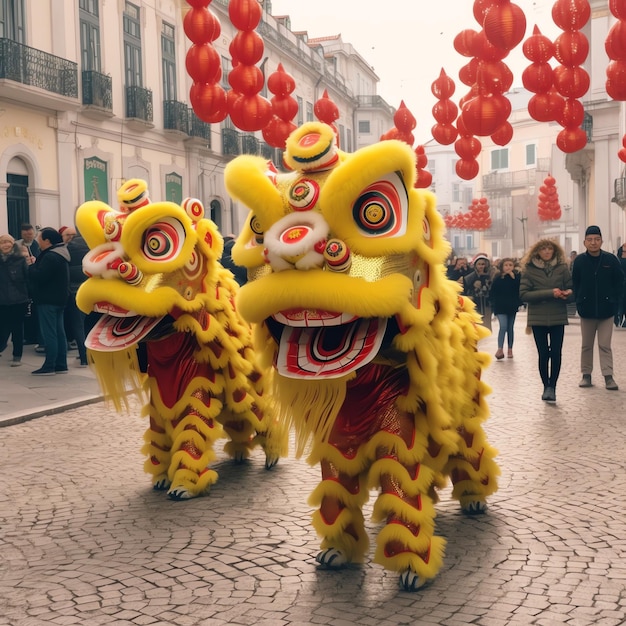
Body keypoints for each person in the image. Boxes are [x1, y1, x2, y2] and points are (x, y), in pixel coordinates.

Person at [519, 239, 573, 403]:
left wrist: (568, 293)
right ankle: (546, 386)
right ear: (537, 252)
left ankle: (553, 387)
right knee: (543, 354)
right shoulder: (529, 270)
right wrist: (550, 293)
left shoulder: (562, 268)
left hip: (558, 316)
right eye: (543, 249)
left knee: (556, 353)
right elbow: (524, 295)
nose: (547, 251)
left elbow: (572, 289)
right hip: (538, 318)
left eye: (550, 248)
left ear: (555, 251)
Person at [572, 225, 624, 390]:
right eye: (590, 240)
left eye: (596, 239)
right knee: (586, 345)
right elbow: (575, 283)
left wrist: (615, 301)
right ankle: (586, 375)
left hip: (606, 310)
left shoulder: (611, 260)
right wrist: (579, 300)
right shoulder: (579, 261)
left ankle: (608, 376)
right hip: (586, 310)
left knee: (604, 344)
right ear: (584, 242)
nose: (593, 242)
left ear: (601, 241)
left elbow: (620, 282)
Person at [28, 227, 70, 375]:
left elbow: (40, 276)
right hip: (59, 298)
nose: (38, 241)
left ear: (47, 240)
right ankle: (61, 364)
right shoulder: (60, 253)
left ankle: (50, 365)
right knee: (59, 332)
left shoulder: (51, 256)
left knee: (50, 334)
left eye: (39, 238)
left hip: (48, 299)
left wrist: (31, 266)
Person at [0, 234, 30, 366]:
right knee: (3, 328)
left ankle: (17, 356)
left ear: (13, 244)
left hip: (19, 299)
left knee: (17, 329)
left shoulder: (19, 259)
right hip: (2, 300)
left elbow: (27, 279)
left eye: (8, 242)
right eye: (2, 243)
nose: (5, 245)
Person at [65, 231, 90, 366]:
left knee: (78, 325)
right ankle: (95, 355)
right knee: (91, 324)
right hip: (92, 289)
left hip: (75, 291)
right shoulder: (93, 245)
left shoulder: (69, 247)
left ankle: (84, 356)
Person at [489, 257, 521, 359]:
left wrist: (514, 278)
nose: (508, 267)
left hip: (512, 306)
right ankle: (500, 349)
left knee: (510, 328)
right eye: (506, 265)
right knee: (503, 327)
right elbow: (493, 292)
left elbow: (519, 290)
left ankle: (510, 349)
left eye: (510, 265)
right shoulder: (498, 278)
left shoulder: (517, 277)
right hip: (500, 307)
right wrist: (493, 305)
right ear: (502, 267)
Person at [16, 223, 41, 346]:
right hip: (22, 283)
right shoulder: (17, 245)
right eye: (25, 234)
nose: (28, 236)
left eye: (30, 233)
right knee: (26, 312)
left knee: (33, 311)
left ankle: (34, 335)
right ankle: (27, 336)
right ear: (21, 234)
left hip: (34, 282)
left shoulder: (37, 245)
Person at [463, 253, 493, 330]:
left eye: (483, 264)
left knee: (486, 326)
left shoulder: (490, 276)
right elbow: (465, 290)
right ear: (475, 265)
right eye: (479, 264)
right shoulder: (469, 277)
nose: (481, 266)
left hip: (487, 303)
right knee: (475, 325)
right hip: (475, 303)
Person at [614, 244, 626, 328]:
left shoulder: (618, 261)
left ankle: (619, 318)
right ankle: (618, 317)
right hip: (620, 286)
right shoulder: (617, 261)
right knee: (620, 303)